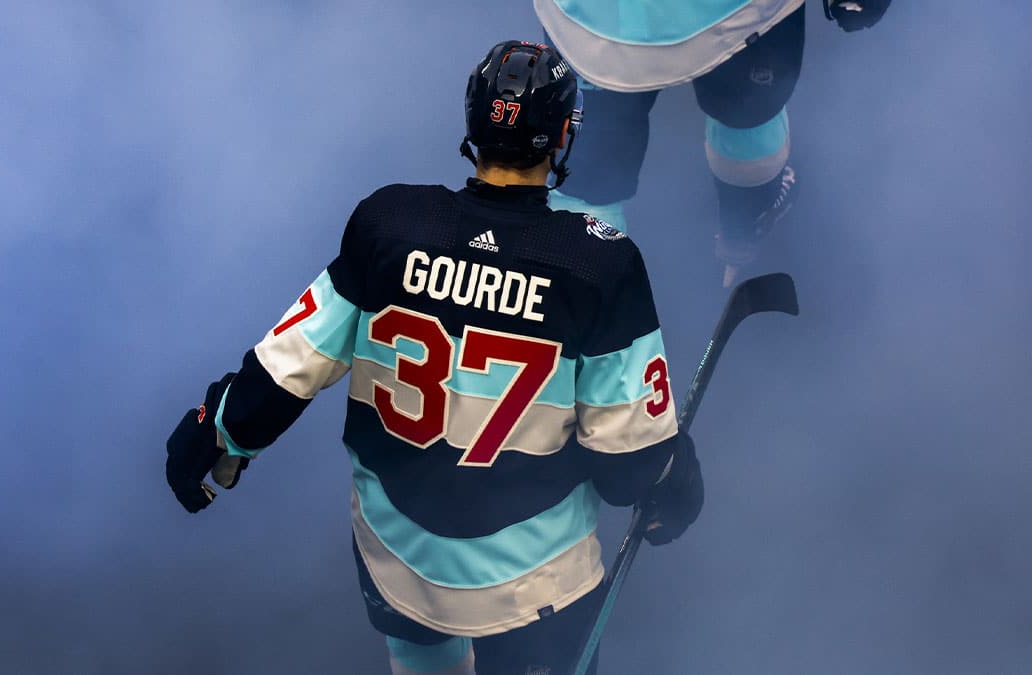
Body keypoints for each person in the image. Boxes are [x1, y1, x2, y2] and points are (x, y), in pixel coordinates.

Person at [164, 40, 703, 675]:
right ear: (563, 135)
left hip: (398, 558)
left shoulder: (390, 223)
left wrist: (219, 431)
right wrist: (675, 479)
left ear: (471, 125)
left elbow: (288, 368)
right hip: (534, 584)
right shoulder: (600, 262)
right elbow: (630, 468)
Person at [534, 0, 892, 285]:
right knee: (746, 113)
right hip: (735, 16)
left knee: (590, 156)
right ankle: (741, 233)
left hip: (590, 17)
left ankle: (576, 289)